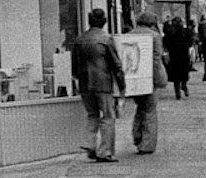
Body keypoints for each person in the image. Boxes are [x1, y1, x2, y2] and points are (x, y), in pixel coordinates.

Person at [71, 8, 125, 163]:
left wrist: (78, 79)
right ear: (104, 21)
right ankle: (105, 151)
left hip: (84, 84)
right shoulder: (106, 39)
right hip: (103, 83)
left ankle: (89, 144)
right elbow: (116, 65)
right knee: (108, 116)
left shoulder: (80, 39)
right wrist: (122, 87)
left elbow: (74, 65)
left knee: (92, 114)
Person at [130, 12, 166, 154]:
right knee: (150, 110)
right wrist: (159, 79)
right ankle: (147, 144)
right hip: (150, 77)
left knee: (140, 107)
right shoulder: (155, 36)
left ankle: (137, 134)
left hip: (135, 76)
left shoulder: (130, 34)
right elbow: (156, 59)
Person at [164, 16, 192, 99]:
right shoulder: (185, 32)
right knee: (184, 71)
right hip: (184, 54)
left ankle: (177, 92)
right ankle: (184, 85)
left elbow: (166, 42)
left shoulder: (170, 33)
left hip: (174, 55)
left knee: (176, 74)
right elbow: (190, 42)